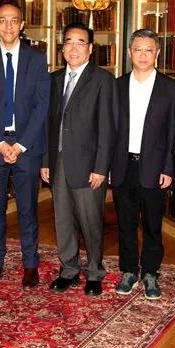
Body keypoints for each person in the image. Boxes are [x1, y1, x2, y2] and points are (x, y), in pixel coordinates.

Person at [0, 0, 50, 290]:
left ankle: (30, 265)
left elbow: (42, 106)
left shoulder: (37, 59)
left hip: (26, 147)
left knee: (28, 209)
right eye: (2, 20)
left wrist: (20, 146)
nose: (8, 26)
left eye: (13, 20)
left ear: (22, 25)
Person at [41, 22, 117, 296]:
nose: (74, 48)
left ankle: (95, 272)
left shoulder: (103, 80)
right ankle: (69, 269)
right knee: (62, 219)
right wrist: (46, 160)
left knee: (90, 220)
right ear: (62, 49)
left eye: (80, 42)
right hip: (58, 161)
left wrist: (101, 168)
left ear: (90, 48)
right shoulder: (54, 79)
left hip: (88, 166)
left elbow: (108, 127)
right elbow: (49, 124)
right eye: (69, 42)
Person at [110, 29, 175, 299]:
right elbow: (109, 130)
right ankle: (129, 270)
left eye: (148, 50)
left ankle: (151, 272)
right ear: (129, 52)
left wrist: (168, 168)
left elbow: (173, 131)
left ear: (157, 53)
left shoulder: (171, 89)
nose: (142, 55)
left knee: (152, 224)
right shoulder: (116, 85)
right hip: (122, 165)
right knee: (125, 223)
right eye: (137, 49)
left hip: (154, 167)